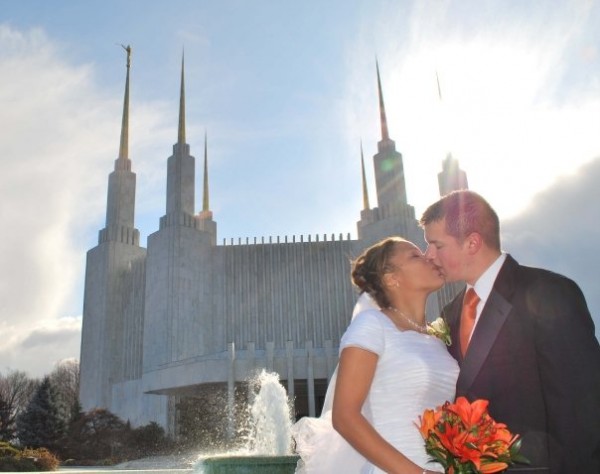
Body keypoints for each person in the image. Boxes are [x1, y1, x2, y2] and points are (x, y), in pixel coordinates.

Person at [419, 190, 600, 473]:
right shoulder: (450, 314)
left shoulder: (550, 292)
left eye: (436, 245)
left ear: (472, 243)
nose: (428, 255)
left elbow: (582, 409)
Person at [292, 236, 459, 473]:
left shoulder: (437, 337)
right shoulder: (372, 325)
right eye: (415, 256)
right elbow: (345, 417)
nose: (430, 257)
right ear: (392, 278)